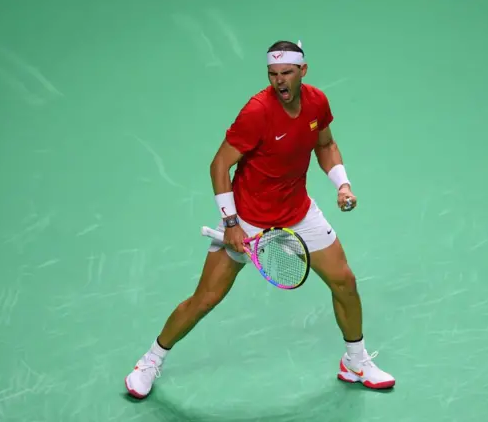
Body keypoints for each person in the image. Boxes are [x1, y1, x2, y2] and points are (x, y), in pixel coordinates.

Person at [124, 40, 395, 398]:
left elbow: (325, 145)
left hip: (298, 213)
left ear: (303, 71)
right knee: (205, 298)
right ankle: (151, 360)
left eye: (286, 73)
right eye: (272, 74)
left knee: (344, 281)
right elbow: (219, 165)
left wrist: (342, 184)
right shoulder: (257, 113)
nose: (279, 82)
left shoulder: (317, 101)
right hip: (248, 219)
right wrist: (232, 223)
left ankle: (355, 361)